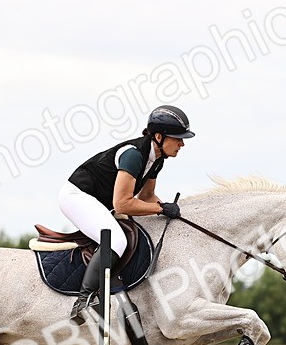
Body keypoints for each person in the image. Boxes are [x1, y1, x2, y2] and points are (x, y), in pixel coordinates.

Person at [59, 104, 195, 323]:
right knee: (116, 240)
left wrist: (170, 210)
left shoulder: (157, 160)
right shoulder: (133, 155)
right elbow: (122, 204)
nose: (182, 143)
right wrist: (161, 208)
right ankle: (83, 301)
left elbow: (147, 196)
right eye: (178, 138)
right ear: (159, 137)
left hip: (98, 201)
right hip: (76, 196)